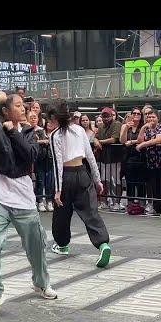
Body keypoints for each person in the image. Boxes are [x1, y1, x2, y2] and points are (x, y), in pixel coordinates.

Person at [0, 90, 56, 318]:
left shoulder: (30, 132)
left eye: (24, 106)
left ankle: (41, 283)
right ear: (6, 111)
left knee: (36, 246)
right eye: (18, 105)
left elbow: (30, 155)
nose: (23, 109)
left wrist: (13, 131)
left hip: (24, 199)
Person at [48, 99, 110, 267]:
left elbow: (57, 164)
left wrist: (58, 190)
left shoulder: (55, 135)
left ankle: (62, 245)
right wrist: (97, 179)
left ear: (54, 117)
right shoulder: (80, 130)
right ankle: (103, 244)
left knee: (61, 214)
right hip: (82, 173)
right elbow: (90, 156)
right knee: (90, 211)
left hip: (66, 176)